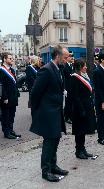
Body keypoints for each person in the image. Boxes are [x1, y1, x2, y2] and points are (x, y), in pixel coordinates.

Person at [30, 46, 69, 182]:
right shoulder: (46, 70)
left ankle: (53, 166)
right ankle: (45, 171)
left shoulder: (59, 69)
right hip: (48, 112)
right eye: (65, 57)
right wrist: (38, 110)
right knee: (49, 142)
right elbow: (35, 92)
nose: (67, 59)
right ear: (57, 56)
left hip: (57, 111)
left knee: (55, 139)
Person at [70, 58, 96, 159]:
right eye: (84, 65)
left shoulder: (84, 76)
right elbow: (75, 96)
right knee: (79, 131)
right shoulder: (74, 78)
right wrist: (81, 110)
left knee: (84, 130)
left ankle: (83, 149)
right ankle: (78, 151)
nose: (86, 67)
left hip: (86, 107)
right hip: (79, 109)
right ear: (80, 67)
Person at [0, 52, 21, 139]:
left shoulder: (12, 70)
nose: (12, 60)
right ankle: (6, 132)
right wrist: (4, 97)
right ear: (5, 59)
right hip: (6, 98)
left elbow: (14, 83)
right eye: (10, 58)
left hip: (13, 97)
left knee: (12, 115)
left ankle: (11, 130)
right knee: (6, 116)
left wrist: (17, 92)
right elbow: (1, 85)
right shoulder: (1, 70)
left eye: (12, 58)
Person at [63, 51, 74, 124]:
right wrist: (64, 88)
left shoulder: (72, 65)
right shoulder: (64, 66)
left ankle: (68, 116)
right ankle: (67, 117)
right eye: (70, 57)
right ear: (67, 58)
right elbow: (64, 78)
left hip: (72, 87)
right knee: (68, 103)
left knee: (71, 103)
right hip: (67, 87)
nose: (72, 58)